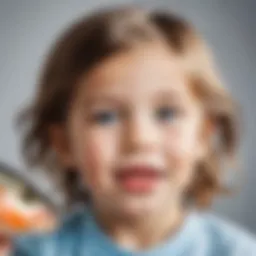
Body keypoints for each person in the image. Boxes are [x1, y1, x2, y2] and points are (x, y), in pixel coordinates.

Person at [11, 6, 256, 256]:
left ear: (203, 135)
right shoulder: (34, 250)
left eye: (166, 114)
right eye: (105, 117)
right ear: (64, 144)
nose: (140, 139)